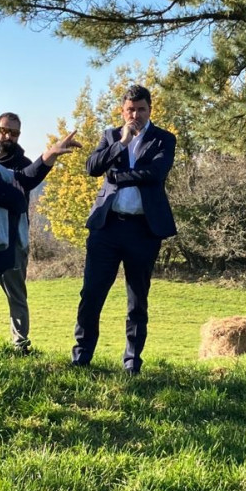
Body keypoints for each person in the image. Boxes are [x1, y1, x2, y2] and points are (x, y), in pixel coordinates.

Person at [72, 84, 176, 374]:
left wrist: (118, 176)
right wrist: (121, 143)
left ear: (150, 110)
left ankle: (132, 362)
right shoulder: (110, 136)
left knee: (137, 299)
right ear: (122, 111)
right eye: (130, 110)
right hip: (107, 227)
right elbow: (92, 167)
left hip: (143, 230)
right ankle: (81, 357)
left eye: (141, 109)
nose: (135, 115)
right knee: (91, 294)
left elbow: (155, 173)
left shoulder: (163, 139)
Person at [0, 103, 81, 337]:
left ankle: (17, 342)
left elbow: (23, 181)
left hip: (3, 247)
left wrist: (51, 154)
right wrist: (13, 194)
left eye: (13, 133)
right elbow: (17, 200)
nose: (2, 137)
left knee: (8, 296)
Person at [0, 112, 36, 354]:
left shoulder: (25, 165)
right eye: (4, 130)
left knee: (16, 293)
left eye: (14, 132)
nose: (8, 136)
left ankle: (20, 344)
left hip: (15, 238)